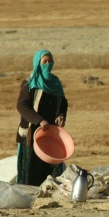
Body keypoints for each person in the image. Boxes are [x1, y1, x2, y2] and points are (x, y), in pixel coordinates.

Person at [15, 49, 68, 186]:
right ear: (38, 63)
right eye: (45, 61)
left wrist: (61, 115)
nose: (48, 64)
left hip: (51, 133)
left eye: (50, 61)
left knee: (52, 166)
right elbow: (22, 106)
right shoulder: (29, 83)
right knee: (32, 169)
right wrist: (39, 120)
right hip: (32, 133)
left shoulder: (55, 82)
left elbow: (63, 102)